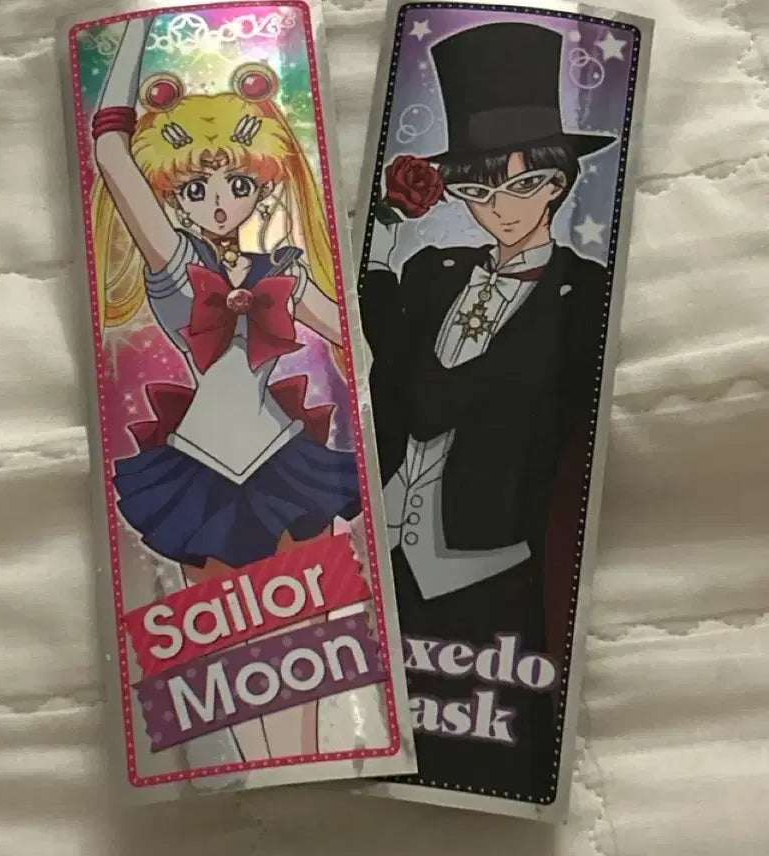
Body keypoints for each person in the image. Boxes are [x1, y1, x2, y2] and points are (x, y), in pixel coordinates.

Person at [91, 16, 359, 762]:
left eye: (237, 184)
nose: (218, 200)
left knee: (305, 642)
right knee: (229, 649)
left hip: (285, 462)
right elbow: (110, 152)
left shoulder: (284, 270)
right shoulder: (176, 266)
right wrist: (132, 38)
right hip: (200, 473)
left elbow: (353, 338)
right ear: (174, 196)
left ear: (261, 188)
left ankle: (307, 769)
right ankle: (257, 775)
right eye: (198, 186)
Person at [359, 21, 612, 798]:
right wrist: (385, 221)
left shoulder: (585, 294)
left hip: (492, 562)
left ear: (558, 182)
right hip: (386, 559)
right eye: (477, 191)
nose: (500, 208)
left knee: (486, 759)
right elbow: (372, 326)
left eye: (523, 186)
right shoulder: (435, 271)